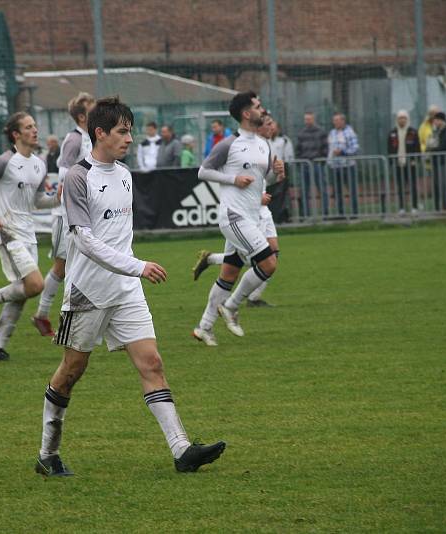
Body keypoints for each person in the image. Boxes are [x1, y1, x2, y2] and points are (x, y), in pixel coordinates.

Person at [34, 96, 225, 477]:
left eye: (131, 131)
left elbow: (118, 237)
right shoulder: (76, 177)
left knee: (152, 363)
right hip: (88, 294)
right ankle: (47, 454)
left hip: (126, 291)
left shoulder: (123, 173)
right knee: (72, 371)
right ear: (100, 132)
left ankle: (182, 450)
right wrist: (138, 266)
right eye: (122, 131)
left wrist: (131, 272)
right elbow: (85, 241)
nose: (130, 138)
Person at [191, 91, 285, 347]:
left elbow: (266, 180)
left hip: (252, 217)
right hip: (234, 216)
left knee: (230, 272)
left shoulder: (263, 144)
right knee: (269, 264)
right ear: (246, 114)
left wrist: (277, 174)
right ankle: (231, 307)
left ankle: (204, 327)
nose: (262, 109)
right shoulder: (229, 144)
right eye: (257, 106)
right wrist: (233, 179)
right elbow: (203, 171)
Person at [0, 111, 59, 362]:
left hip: (29, 234)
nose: (35, 130)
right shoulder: (4, 161)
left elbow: (37, 200)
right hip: (8, 232)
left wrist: (59, 198)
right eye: (29, 127)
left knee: (25, 290)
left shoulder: (39, 163)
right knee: (36, 285)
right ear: (16, 134)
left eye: (35, 125)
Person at [32, 92, 96, 337]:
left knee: (77, 265)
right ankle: (43, 314)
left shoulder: (91, 137)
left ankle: (59, 315)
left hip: (81, 211)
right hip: (65, 214)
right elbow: (63, 169)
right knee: (62, 267)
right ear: (82, 116)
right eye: (92, 108)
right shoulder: (74, 138)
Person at [295, 111, 329, 218]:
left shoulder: (321, 132)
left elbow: (325, 147)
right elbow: (298, 149)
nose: (307, 121)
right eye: (306, 119)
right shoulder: (301, 133)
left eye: (309, 119)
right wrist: (300, 161)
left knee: (322, 189)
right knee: (304, 190)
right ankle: (306, 214)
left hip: (317, 163)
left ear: (313, 119)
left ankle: (325, 213)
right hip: (305, 164)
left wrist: (322, 160)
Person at [387, 109, 421, 215]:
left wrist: (415, 160)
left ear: (407, 119)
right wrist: (392, 161)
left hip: (411, 163)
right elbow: (389, 148)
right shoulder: (392, 133)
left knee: (413, 186)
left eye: (404, 118)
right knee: (400, 186)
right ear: (397, 120)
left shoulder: (413, 132)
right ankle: (401, 208)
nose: (402, 120)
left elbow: (417, 148)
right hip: (399, 164)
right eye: (400, 118)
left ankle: (414, 207)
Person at [327, 113, 360, 217]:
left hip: (348, 166)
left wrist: (342, 152)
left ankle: (355, 213)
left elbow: (355, 148)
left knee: (352, 190)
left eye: (337, 120)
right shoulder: (332, 133)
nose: (335, 122)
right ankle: (340, 213)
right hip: (335, 166)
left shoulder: (350, 132)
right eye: (334, 120)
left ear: (343, 121)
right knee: (337, 191)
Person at [428, 112, 446, 211]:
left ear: (440, 120)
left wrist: (433, 149)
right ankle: (438, 207)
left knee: (444, 185)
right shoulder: (438, 130)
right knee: (437, 184)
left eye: (435, 120)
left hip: (444, 161)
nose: (434, 122)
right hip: (436, 161)